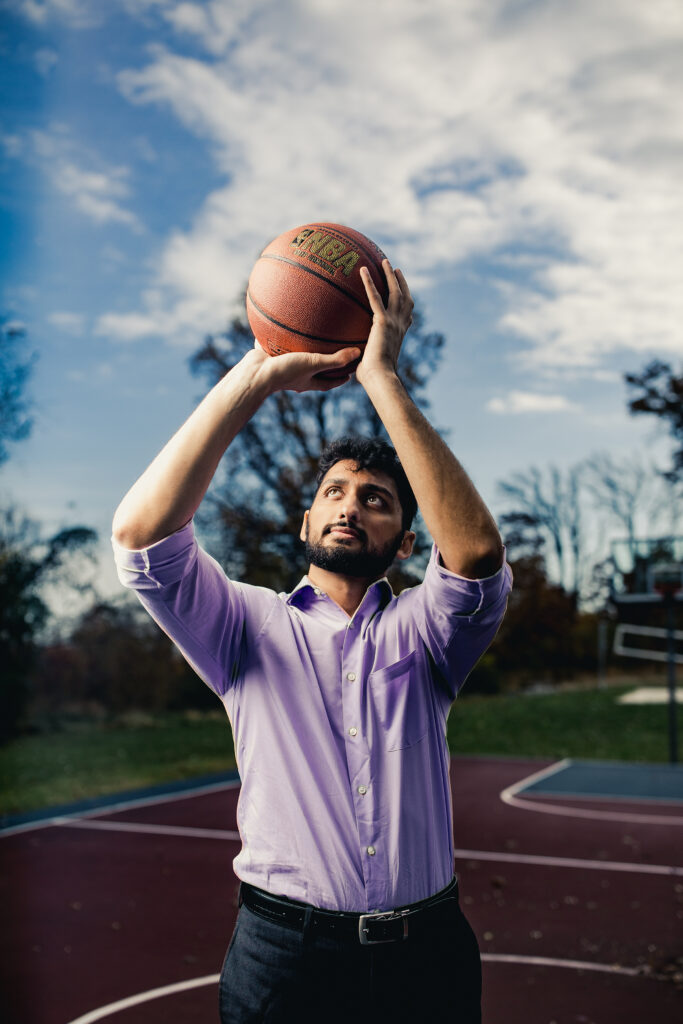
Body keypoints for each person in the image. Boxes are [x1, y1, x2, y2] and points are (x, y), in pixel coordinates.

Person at [112, 260, 512, 1023]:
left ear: (402, 542)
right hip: (283, 954)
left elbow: (476, 556)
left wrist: (381, 375)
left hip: (424, 953)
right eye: (333, 492)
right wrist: (258, 371)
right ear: (304, 523)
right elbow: (140, 533)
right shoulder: (242, 626)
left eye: (377, 500)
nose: (350, 507)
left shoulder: (426, 631)